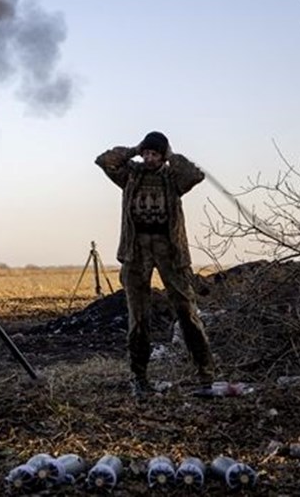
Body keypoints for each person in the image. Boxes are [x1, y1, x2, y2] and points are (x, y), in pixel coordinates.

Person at [95, 131, 213, 400]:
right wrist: (134, 149)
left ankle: (206, 376)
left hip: (169, 250)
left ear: (162, 156)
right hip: (136, 251)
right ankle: (139, 378)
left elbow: (195, 175)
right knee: (139, 316)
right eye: (146, 153)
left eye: (154, 154)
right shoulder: (131, 175)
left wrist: (171, 155)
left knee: (186, 310)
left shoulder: (173, 177)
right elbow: (104, 161)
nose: (149, 158)